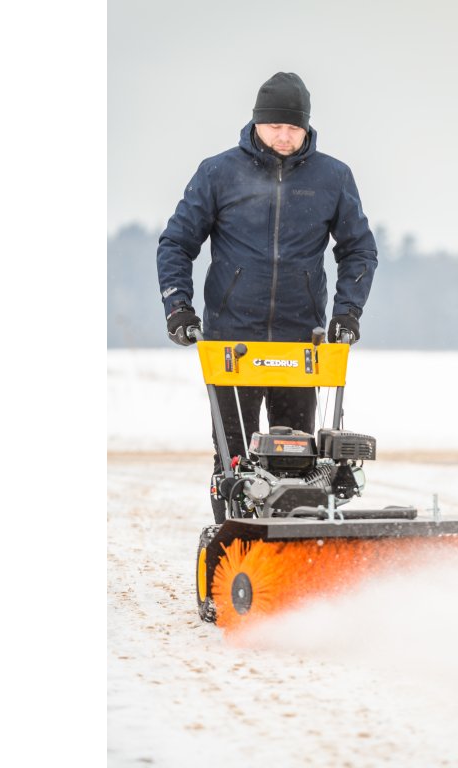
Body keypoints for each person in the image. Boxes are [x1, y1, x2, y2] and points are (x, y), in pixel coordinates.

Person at [156, 71, 378, 524]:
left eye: (293, 127)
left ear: (306, 127)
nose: (283, 136)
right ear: (256, 122)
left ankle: (296, 546)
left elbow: (359, 249)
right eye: (275, 125)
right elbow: (176, 243)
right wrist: (178, 307)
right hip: (232, 341)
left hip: (300, 341)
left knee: (298, 456)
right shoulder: (218, 172)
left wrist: (348, 312)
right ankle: (235, 539)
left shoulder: (333, 177)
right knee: (235, 460)